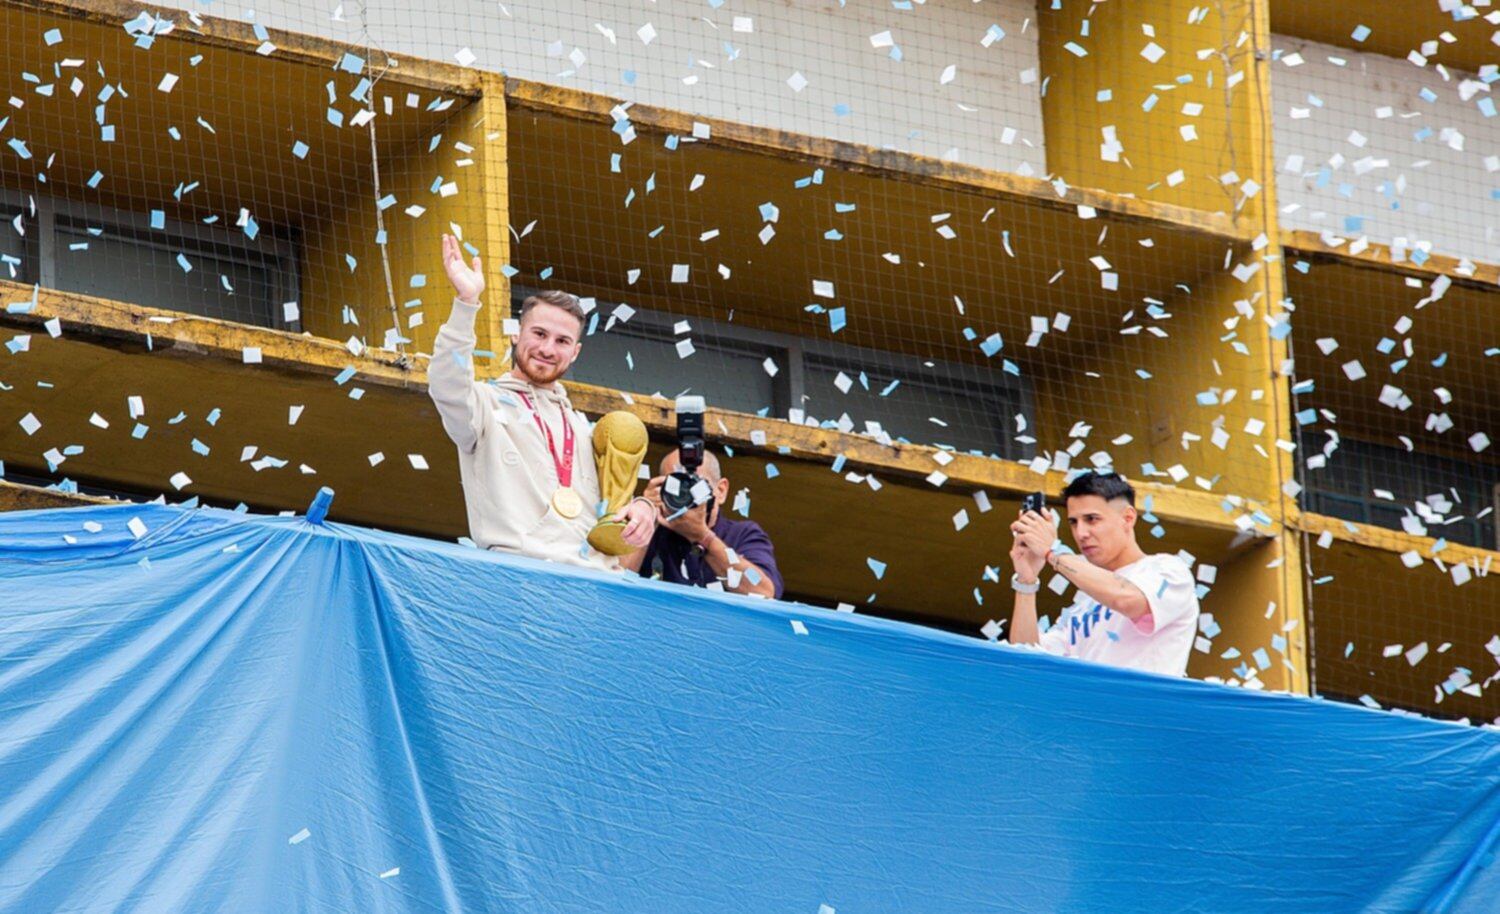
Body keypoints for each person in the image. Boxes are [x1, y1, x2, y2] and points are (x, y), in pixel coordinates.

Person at [428, 233, 656, 570]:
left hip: (595, 585)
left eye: (562, 340)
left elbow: (606, 505)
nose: (548, 349)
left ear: (575, 352)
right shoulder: (484, 406)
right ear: (516, 334)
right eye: (539, 334)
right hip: (519, 576)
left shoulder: (581, 428)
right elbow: (446, 383)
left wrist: (641, 509)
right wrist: (466, 302)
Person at [1007, 471, 1199, 677]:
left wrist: (1051, 552)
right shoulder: (1081, 604)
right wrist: (1026, 581)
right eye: (1073, 522)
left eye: (1092, 519)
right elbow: (1026, 658)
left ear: (1127, 518)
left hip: (1141, 706)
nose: (1081, 533)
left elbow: (1129, 600)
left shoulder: (1168, 569)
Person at [621, 448, 783, 599]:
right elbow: (615, 581)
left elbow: (765, 593)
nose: (686, 494)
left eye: (695, 485)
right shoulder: (655, 533)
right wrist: (647, 515)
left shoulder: (743, 534)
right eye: (677, 486)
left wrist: (703, 537)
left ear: (721, 491)